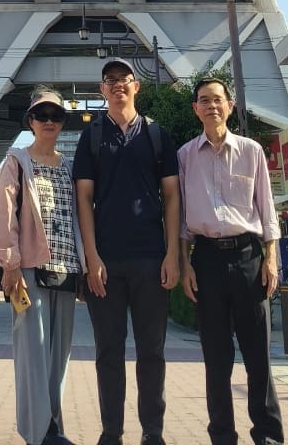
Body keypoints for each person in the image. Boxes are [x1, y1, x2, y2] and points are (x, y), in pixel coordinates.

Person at [73, 57, 180, 445]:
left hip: (151, 258)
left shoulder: (157, 134)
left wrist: (172, 254)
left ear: (137, 86)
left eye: (125, 79)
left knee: (152, 352)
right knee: (108, 353)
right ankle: (111, 433)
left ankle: (153, 433)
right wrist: (91, 257)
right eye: (110, 80)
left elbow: (172, 196)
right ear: (102, 90)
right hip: (106, 262)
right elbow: (84, 199)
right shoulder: (92, 136)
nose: (118, 84)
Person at [178, 77, 283, 445]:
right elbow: (182, 218)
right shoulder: (185, 156)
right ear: (196, 109)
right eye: (204, 100)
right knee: (216, 359)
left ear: (230, 105)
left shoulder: (251, 151)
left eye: (217, 99)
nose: (212, 106)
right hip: (206, 259)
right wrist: (185, 264)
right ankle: (222, 437)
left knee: (258, 358)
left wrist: (271, 258)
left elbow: (266, 208)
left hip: (248, 257)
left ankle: (268, 437)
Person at [0, 87, 85, 445]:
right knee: (32, 353)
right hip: (28, 271)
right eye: (41, 115)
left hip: (66, 269)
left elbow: (79, 218)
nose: (49, 121)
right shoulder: (17, 162)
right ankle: (38, 432)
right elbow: (5, 215)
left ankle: (53, 427)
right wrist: (10, 264)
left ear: (62, 122)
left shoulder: (70, 167)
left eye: (56, 116)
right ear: (30, 121)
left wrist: (85, 267)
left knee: (58, 356)